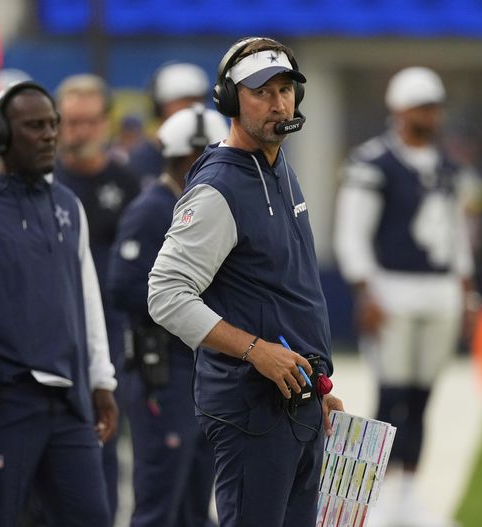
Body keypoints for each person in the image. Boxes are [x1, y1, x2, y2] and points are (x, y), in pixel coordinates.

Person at [147, 37, 343, 526]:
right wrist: (257, 350)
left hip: (295, 401)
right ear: (231, 101)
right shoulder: (218, 187)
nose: (279, 103)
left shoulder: (281, 169)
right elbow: (165, 294)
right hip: (250, 409)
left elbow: (282, 290)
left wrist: (314, 386)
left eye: (286, 89)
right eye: (262, 92)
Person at [0, 80, 119, 525]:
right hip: (4, 404)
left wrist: (101, 379)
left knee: (92, 517)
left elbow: (84, 296)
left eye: (52, 124)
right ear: (0, 137)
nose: (50, 134)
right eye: (34, 126)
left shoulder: (67, 204)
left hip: (69, 401)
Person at [333, 66, 476, 527]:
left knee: (422, 398)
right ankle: (367, 500)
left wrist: (466, 290)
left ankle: (409, 495)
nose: (430, 115)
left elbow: (457, 233)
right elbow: (351, 233)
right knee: (388, 396)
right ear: (399, 109)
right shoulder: (373, 162)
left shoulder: (447, 165)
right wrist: (364, 288)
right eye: (422, 106)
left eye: (434, 107)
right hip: (392, 287)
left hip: (438, 291)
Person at [107, 104, 228, 527]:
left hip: (200, 368)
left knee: (195, 501)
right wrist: (185, 307)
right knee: (160, 499)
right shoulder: (152, 209)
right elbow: (122, 286)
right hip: (163, 370)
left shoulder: (207, 209)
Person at [54, 73, 140, 523]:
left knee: (105, 438)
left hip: (111, 333)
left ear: (106, 123)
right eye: (70, 122)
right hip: (54, 335)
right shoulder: (44, 183)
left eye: (88, 122)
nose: (79, 132)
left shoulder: (126, 185)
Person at [127, 62, 210, 186]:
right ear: (160, 108)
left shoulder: (213, 153)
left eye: (198, 100)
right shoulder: (140, 160)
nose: (193, 108)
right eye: (183, 102)